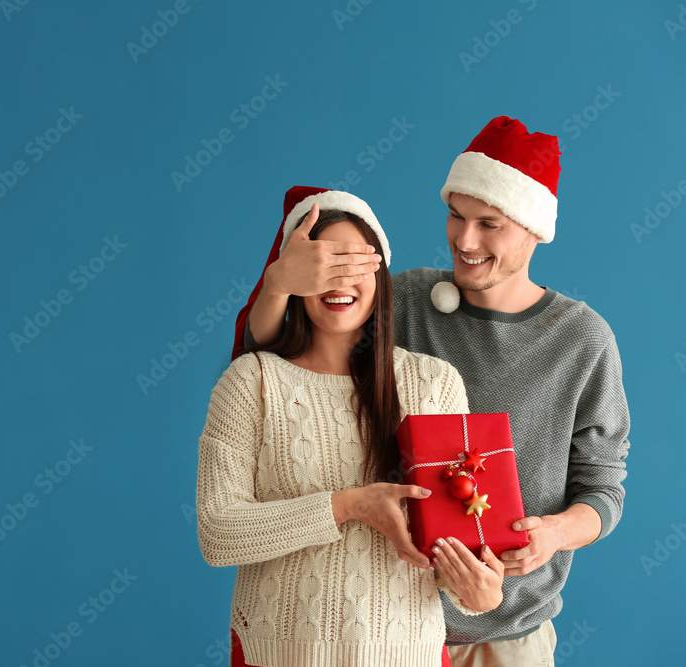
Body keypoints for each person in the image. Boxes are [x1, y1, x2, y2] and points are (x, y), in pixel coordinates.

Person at [233, 117, 631, 666]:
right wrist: (281, 280)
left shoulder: (582, 341)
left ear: (534, 229)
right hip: (387, 622)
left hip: (507, 629)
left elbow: (603, 489)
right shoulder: (411, 300)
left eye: (489, 224)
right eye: (456, 216)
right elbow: (277, 350)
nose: (465, 241)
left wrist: (555, 534)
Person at [196, 186, 506, 667]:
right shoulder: (251, 383)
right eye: (324, 264)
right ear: (298, 276)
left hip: (409, 655)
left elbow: (455, 541)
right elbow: (218, 533)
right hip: (280, 655)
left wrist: (480, 593)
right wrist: (348, 506)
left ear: (381, 275)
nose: (340, 280)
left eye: (356, 264)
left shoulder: (434, 383)